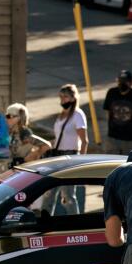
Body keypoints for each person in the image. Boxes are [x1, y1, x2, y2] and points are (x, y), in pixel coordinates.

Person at [43, 84, 89, 215]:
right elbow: (59, 137)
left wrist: (81, 162)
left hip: (71, 156)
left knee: (68, 196)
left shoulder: (78, 115)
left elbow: (84, 141)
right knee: (49, 193)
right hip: (57, 156)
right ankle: (45, 225)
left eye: (66, 97)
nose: (62, 100)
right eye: (61, 97)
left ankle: (76, 226)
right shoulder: (62, 114)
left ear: (73, 98)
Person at [103, 70, 132, 155]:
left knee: (130, 163)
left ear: (131, 83)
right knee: (110, 162)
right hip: (113, 137)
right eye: (120, 81)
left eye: (125, 82)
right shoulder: (111, 93)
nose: (122, 84)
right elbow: (107, 111)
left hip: (131, 138)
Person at [4, 103, 50, 168]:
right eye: (6, 116)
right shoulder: (14, 133)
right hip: (17, 169)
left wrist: (27, 159)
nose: (6, 119)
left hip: (25, 169)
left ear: (18, 118)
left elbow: (46, 146)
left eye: (9, 116)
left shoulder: (24, 133)